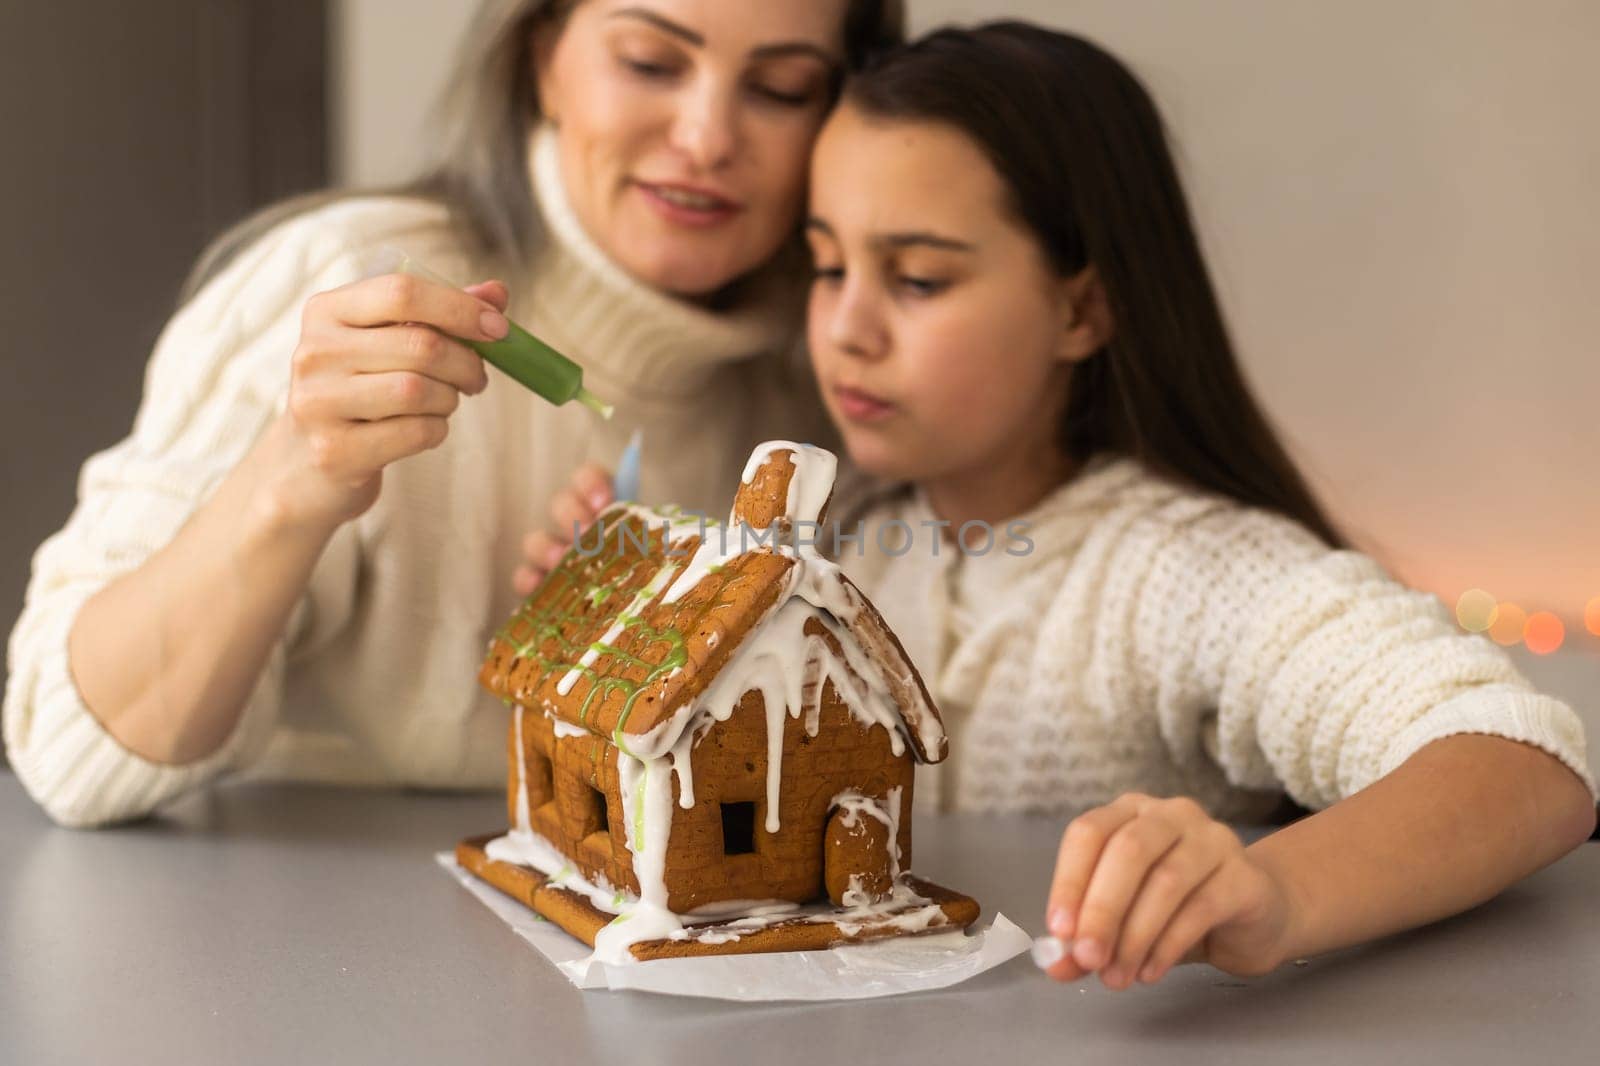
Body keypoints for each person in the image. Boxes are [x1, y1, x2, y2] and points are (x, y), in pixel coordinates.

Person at [532, 22, 1596, 989]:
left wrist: (1274, 891)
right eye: (825, 266)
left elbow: (1525, 762)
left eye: (916, 279)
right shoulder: (843, 543)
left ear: (1081, 307)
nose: (846, 328)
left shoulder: (1177, 572)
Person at [2, 0, 904, 828]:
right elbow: (70, 757)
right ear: (545, 61)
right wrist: (293, 481)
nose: (707, 137)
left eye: (780, 89)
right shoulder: (348, 279)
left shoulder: (841, 378)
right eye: (649, 63)